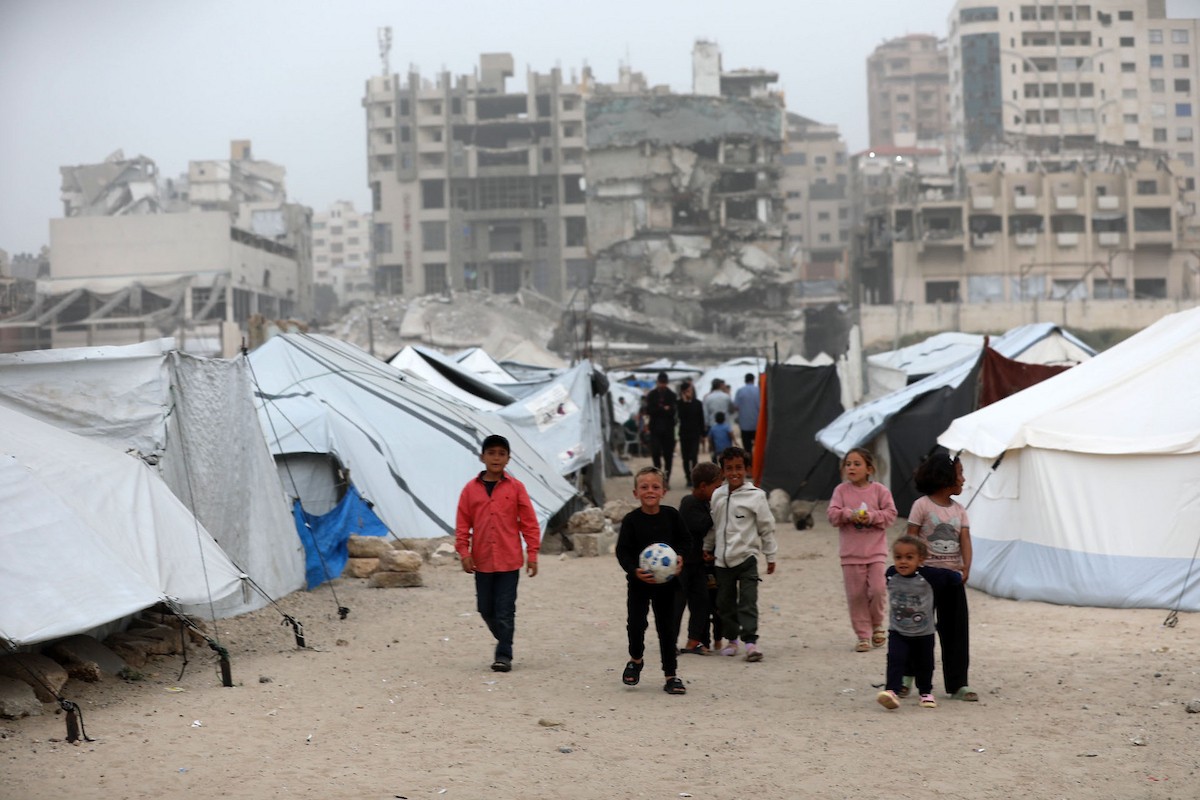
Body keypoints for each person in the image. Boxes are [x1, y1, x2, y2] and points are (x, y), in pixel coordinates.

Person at [454, 434, 540, 673]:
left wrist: (532, 554)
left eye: (501, 454)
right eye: (491, 453)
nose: (496, 458)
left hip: (509, 560)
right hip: (482, 561)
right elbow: (462, 524)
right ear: (482, 457)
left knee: (505, 610)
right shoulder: (470, 490)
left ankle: (504, 653)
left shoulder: (516, 488)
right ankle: (504, 635)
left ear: (508, 459)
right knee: (485, 608)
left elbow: (529, 523)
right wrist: (464, 551)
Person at [615, 466, 692, 695]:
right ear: (635, 492)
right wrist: (634, 570)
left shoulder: (672, 516)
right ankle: (636, 660)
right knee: (636, 625)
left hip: (667, 586)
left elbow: (686, 542)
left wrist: (680, 559)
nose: (650, 491)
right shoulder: (631, 520)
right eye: (644, 487)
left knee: (666, 629)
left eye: (655, 486)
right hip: (639, 584)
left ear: (664, 491)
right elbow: (623, 552)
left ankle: (671, 675)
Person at [907, 451, 977, 702]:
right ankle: (906, 675)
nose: (964, 479)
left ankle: (958, 683)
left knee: (956, 630)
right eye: (960, 474)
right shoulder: (922, 506)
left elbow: (965, 539)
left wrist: (966, 567)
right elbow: (911, 536)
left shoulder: (960, 511)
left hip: (952, 579)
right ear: (945, 477)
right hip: (924, 577)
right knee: (915, 627)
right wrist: (910, 566)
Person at [704, 446, 777, 662]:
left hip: (747, 558)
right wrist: (707, 547)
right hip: (722, 562)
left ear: (746, 469)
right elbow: (715, 526)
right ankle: (732, 640)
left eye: (739, 468)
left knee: (747, 601)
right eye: (729, 468)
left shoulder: (756, 496)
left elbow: (766, 527)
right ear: (723, 471)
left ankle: (751, 642)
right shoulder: (717, 495)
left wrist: (770, 555)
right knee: (725, 603)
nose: (734, 473)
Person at [876, 535, 962, 710]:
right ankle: (892, 691)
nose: (903, 562)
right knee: (895, 659)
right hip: (898, 631)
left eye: (909, 557)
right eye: (898, 557)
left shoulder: (929, 576)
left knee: (925, 664)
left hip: (924, 632)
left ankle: (925, 692)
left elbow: (950, 576)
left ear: (920, 559)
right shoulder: (891, 574)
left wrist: (958, 576)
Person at [827, 448, 898, 652]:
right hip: (850, 555)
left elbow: (891, 515)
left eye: (857, 464)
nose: (851, 467)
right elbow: (832, 515)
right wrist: (849, 515)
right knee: (856, 595)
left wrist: (872, 517)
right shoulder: (841, 491)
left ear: (869, 468)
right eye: (848, 464)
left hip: (876, 552)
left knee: (877, 589)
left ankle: (877, 625)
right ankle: (863, 635)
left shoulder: (880, 491)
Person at [675, 461, 724, 655]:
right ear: (703, 486)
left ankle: (693, 641)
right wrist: (719, 509)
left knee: (701, 604)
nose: (719, 492)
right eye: (716, 487)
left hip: (698, 565)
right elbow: (702, 526)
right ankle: (669, 641)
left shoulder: (705, 503)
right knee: (677, 606)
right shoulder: (689, 503)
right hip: (683, 565)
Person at [641, 372, 678, 488]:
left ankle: (666, 479)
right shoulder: (652, 395)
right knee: (655, 453)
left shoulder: (671, 395)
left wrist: (660, 409)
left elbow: (672, 411)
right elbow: (650, 410)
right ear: (657, 382)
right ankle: (658, 476)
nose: (662, 385)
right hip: (655, 429)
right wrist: (663, 409)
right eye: (660, 383)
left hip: (668, 429)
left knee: (668, 455)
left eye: (664, 383)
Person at [676, 381, 705, 487]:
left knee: (694, 456)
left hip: (695, 433)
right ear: (683, 392)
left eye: (690, 390)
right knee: (685, 457)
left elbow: (701, 419)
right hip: (684, 434)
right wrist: (684, 402)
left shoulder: (698, 403)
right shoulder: (679, 404)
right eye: (687, 391)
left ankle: (694, 477)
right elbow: (681, 416)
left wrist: (703, 434)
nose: (689, 393)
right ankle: (688, 477)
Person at [733, 372, 761, 454]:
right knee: (758, 447)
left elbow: (736, 406)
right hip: (757, 423)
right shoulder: (759, 390)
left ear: (745, 380)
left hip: (744, 424)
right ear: (753, 379)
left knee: (747, 447)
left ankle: (749, 463)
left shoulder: (740, 391)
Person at [702, 378, 735, 446]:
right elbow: (731, 409)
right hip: (725, 424)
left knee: (714, 444)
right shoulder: (726, 396)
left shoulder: (707, 398)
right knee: (727, 445)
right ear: (720, 385)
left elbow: (705, 413)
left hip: (712, 424)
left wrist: (706, 424)